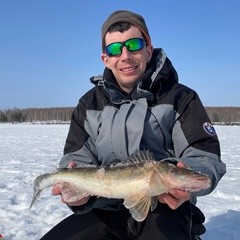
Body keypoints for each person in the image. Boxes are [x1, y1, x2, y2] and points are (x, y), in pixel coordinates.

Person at [41, 10, 226, 240]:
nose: (125, 55)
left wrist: (176, 177)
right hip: (104, 209)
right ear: (106, 60)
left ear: (148, 50)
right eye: (115, 49)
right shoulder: (88, 104)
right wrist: (78, 195)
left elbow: (206, 159)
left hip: (166, 209)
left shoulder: (182, 98)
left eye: (134, 44)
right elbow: (78, 160)